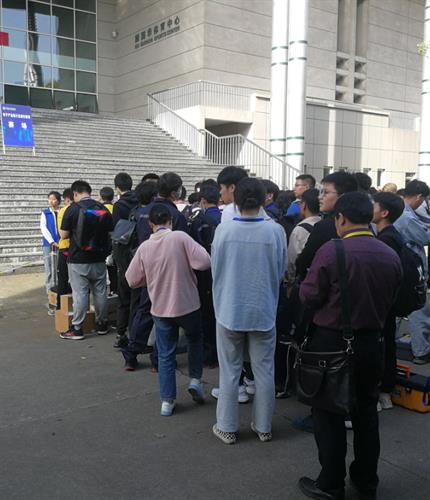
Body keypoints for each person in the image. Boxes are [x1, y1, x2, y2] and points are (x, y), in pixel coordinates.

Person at [298, 192, 402, 500]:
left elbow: (309, 295)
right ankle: (366, 481)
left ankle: (331, 483)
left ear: (340, 218)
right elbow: (393, 299)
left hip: (331, 344)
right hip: (372, 343)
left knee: (328, 415)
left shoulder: (332, 251)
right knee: (366, 415)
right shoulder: (389, 254)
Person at [211, 177, 287, 445]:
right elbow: (281, 270)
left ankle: (227, 427)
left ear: (236, 199)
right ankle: (264, 427)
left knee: (230, 371)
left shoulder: (224, 230)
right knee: (264, 370)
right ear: (265, 198)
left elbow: (216, 268)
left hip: (229, 309)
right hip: (263, 309)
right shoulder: (275, 231)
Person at [125, 204, 211, 416]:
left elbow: (131, 279)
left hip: (161, 308)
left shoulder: (145, 247)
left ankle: (167, 401)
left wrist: (148, 281)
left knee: (165, 354)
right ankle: (195, 379)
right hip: (188, 304)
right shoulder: (180, 237)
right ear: (170, 221)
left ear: (151, 224)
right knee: (195, 340)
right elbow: (204, 262)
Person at [122, 172, 188, 370]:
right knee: (168, 316)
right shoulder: (175, 215)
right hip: (170, 273)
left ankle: (131, 353)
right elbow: (184, 245)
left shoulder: (143, 212)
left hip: (148, 269)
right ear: (175, 192)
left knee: (144, 311)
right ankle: (159, 359)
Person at [59, 180, 114, 340]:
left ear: (75, 193)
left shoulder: (72, 209)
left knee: (80, 293)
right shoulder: (103, 208)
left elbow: (63, 235)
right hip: (99, 257)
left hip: (78, 259)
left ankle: (77, 328)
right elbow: (111, 233)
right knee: (100, 292)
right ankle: (102, 324)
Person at [372, 192, 404, 410]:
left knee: (381, 346)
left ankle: (381, 392)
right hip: (391, 301)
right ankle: (385, 391)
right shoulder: (391, 235)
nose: (370, 208)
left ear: (384, 213)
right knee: (387, 344)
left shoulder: (386, 239)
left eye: (374, 205)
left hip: (384, 302)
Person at [295, 172, 358, 281]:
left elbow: (304, 261)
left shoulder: (325, 226)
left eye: (326, 192)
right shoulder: (366, 224)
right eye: (321, 192)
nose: (320, 197)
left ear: (342, 196)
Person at [394, 179, 430, 364]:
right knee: (417, 310)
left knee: (395, 309)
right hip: (410, 270)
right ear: (419, 197)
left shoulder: (398, 210)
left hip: (398, 267)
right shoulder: (406, 217)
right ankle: (421, 351)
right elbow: (424, 238)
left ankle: (387, 345)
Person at [190, 184, 222, 367]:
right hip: (222, 271)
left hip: (205, 272)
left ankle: (208, 355)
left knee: (207, 314)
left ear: (202, 201)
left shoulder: (200, 220)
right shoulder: (225, 217)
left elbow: (195, 248)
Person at [112, 173, 139, 348]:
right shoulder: (139, 201)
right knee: (137, 298)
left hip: (123, 255)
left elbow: (117, 232)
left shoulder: (119, 205)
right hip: (138, 252)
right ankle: (135, 332)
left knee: (123, 297)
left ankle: (121, 333)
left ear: (117, 188)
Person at [287, 188, 321, 284]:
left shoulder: (300, 229)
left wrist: (290, 281)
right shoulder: (325, 225)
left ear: (304, 205)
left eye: (300, 203)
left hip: (304, 279)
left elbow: (292, 260)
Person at [40, 191, 61, 312]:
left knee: (59, 270)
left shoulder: (62, 212)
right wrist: (52, 241)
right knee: (49, 271)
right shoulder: (45, 213)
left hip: (61, 244)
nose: (51, 201)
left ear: (58, 200)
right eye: (49, 199)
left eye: (53, 199)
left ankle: (59, 296)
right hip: (49, 245)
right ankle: (51, 299)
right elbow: (43, 228)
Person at [56, 188, 73, 309]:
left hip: (65, 248)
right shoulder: (83, 209)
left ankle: (60, 307)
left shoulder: (63, 211)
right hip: (79, 249)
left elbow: (62, 233)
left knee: (62, 278)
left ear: (66, 199)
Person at [99, 186, 116, 295]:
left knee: (101, 270)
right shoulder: (115, 208)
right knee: (113, 268)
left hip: (102, 243)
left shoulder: (99, 209)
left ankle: (102, 291)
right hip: (114, 242)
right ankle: (114, 290)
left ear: (101, 197)